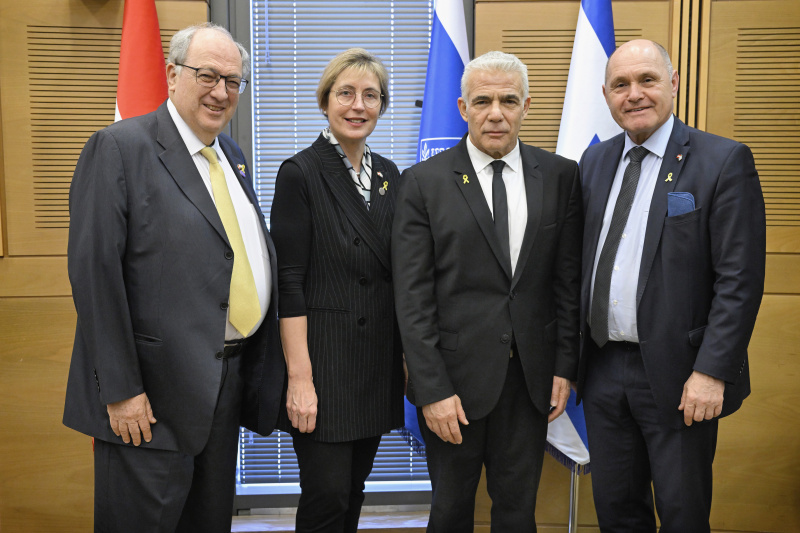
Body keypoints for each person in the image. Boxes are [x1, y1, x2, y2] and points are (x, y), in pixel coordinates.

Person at [63, 23, 285, 532]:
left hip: (223, 387)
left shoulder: (232, 156)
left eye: (233, 81)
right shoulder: (119, 148)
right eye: (207, 75)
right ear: (172, 74)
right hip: (149, 401)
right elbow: (95, 275)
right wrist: (120, 389)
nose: (221, 92)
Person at [577, 39, 766, 532]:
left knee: (682, 515)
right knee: (617, 513)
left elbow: (739, 281)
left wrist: (712, 371)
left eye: (648, 80)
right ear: (605, 94)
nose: (634, 94)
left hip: (682, 377)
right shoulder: (593, 164)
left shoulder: (722, 160)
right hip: (601, 369)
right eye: (621, 85)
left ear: (674, 83)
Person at [392, 51, 582, 532]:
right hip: (452, 385)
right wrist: (432, 390)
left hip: (530, 383)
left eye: (508, 100)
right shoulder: (422, 183)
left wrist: (564, 367)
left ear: (526, 105)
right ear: (461, 107)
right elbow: (412, 299)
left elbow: (566, 282)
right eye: (482, 101)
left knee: (518, 513)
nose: (495, 113)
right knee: (451, 512)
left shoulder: (561, 177)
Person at [269, 48, 405, 533]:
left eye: (371, 95)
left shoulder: (391, 174)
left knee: (353, 493)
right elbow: (290, 282)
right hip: (323, 368)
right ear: (325, 101)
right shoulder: (300, 172)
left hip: (374, 365)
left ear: (382, 107)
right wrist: (299, 379)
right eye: (345, 93)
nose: (357, 105)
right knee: (325, 498)